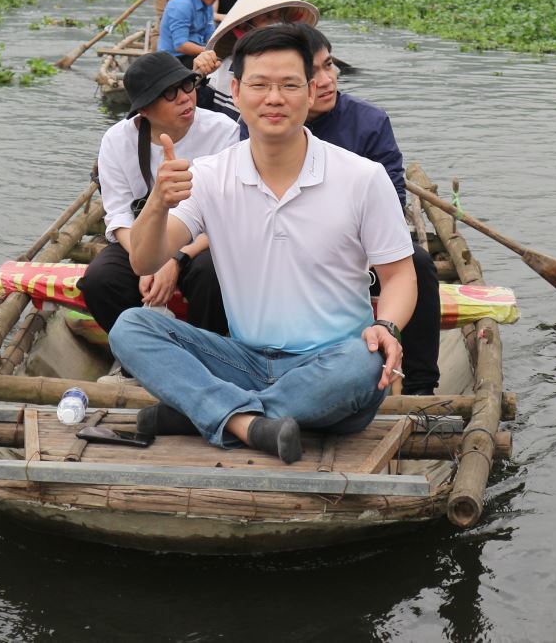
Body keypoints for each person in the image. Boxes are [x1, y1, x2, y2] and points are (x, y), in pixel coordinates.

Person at [109, 26, 417, 464]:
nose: (274, 98)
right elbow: (143, 259)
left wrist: (386, 327)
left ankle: (208, 411)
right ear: (235, 91)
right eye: (259, 85)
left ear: (311, 92)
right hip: (244, 361)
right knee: (131, 328)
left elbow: (399, 274)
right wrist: (157, 202)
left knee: (364, 363)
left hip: (331, 364)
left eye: (289, 85)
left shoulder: (363, 178)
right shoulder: (210, 174)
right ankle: (249, 424)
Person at [237, 22, 443, 395]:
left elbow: (392, 200)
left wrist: (347, 243)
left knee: (420, 267)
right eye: (313, 72)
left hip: (360, 246)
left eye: (329, 65)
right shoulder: (261, 123)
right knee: (208, 268)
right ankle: (236, 362)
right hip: (281, 246)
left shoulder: (369, 122)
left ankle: (421, 385)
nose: (327, 79)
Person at [81, 53, 239, 335]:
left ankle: (210, 348)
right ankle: (134, 352)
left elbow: (227, 214)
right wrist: (150, 260)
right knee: (100, 279)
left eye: (187, 86)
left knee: (212, 274)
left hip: (202, 240)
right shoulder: (117, 140)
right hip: (140, 237)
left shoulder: (223, 131)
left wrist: (175, 258)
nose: (184, 98)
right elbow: (119, 217)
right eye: (169, 93)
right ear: (144, 110)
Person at [202, 0, 319, 107]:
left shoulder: (298, 68)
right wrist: (198, 77)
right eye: (268, 17)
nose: (277, 24)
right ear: (245, 28)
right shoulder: (225, 68)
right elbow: (201, 108)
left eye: (281, 18)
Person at [158, 0, 231, 112]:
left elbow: (209, 35)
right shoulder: (182, 4)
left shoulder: (207, 3)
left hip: (194, 53)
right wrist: (209, 52)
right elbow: (181, 45)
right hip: (174, 58)